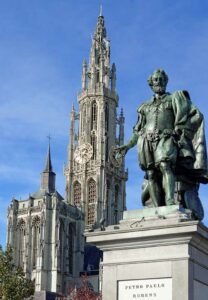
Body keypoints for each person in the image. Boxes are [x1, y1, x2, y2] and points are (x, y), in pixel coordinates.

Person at [117, 69, 207, 218]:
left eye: (161, 79)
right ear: (151, 84)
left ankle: (170, 200)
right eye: (156, 80)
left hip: (166, 139)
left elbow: (196, 115)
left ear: (166, 82)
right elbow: (138, 131)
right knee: (151, 174)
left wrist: (179, 129)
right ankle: (158, 209)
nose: (159, 82)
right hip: (146, 141)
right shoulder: (144, 107)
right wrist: (127, 146)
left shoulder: (174, 99)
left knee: (165, 165)